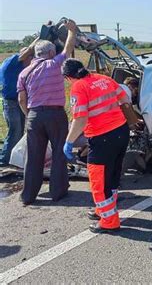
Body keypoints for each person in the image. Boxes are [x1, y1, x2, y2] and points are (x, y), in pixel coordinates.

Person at [62, 59, 139, 233]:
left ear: (68, 77)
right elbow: (125, 98)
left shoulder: (78, 87)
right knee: (111, 176)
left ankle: (109, 221)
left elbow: (80, 119)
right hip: (121, 131)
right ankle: (102, 210)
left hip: (102, 138)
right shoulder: (103, 79)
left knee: (99, 180)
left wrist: (69, 141)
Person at [17, 20, 77, 205]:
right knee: (59, 153)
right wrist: (72, 31)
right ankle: (58, 193)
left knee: (34, 156)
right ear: (51, 52)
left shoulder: (24, 72)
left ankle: (28, 196)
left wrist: (30, 115)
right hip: (55, 115)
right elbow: (67, 49)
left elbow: (21, 99)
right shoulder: (54, 64)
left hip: (34, 115)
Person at [0, 44, 35, 167]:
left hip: (17, 101)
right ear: (25, 57)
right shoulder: (13, 61)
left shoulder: (19, 65)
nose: (32, 61)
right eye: (31, 58)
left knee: (19, 130)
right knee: (14, 130)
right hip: (10, 102)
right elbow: (29, 49)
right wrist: (42, 36)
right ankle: (5, 159)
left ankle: (13, 157)